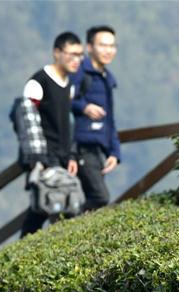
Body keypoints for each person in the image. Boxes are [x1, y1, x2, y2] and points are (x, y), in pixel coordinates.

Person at [19, 31, 83, 237]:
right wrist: (37, 159)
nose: (76, 60)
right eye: (72, 54)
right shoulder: (38, 83)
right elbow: (26, 122)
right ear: (57, 52)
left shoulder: (69, 84)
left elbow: (69, 122)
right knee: (42, 207)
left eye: (80, 55)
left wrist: (72, 154)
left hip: (63, 157)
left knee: (63, 207)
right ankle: (21, 253)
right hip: (44, 157)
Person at [71, 25, 121, 212]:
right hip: (81, 147)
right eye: (103, 45)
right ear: (89, 47)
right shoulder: (79, 72)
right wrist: (84, 107)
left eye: (112, 46)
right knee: (100, 197)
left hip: (99, 148)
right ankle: (66, 225)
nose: (108, 50)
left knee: (92, 197)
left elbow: (110, 120)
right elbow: (63, 102)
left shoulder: (107, 78)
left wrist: (115, 152)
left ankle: (70, 232)